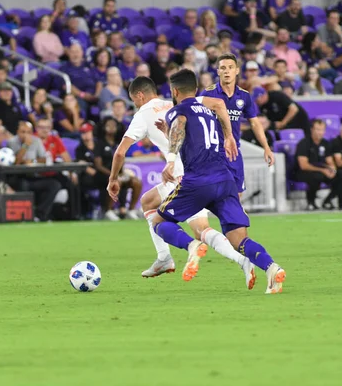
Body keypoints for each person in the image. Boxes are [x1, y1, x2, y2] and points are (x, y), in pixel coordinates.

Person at [107, 75, 256, 289]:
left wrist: (113, 179)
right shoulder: (174, 103)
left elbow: (121, 152)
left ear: (139, 96)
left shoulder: (143, 114)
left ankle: (239, 260)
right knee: (148, 202)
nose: (135, 104)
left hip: (184, 176)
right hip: (202, 169)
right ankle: (164, 258)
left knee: (200, 230)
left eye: (134, 100)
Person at [152, 70, 285, 293]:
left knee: (158, 221)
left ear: (174, 91)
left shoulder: (177, 111)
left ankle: (192, 245)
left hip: (198, 182)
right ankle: (272, 268)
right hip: (224, 180)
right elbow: (193, 138)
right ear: (195, 90)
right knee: (239, 240)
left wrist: (170, 160)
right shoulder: (208, 111)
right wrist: (230, 136)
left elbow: (180, 126)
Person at [201, 53, 275, 196]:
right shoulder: (208, 94)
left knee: (237, 195)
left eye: (230, 67)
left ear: (237, 71)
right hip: (213, 152)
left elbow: (255, 123)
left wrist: (266, 147)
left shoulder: (244, 96)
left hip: (234, 153)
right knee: (216, 194)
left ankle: (232, 218)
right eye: (223, 68)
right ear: (218, 72)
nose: (227, 71)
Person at [6, 121, 61, 222]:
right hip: (18, 178)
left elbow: (44, 159)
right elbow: (16, 162)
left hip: (34, 177)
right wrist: (25, 146)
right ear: (17, 132)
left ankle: (40, 215)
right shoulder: (12, 142)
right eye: (23, 132)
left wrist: (32, 161)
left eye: (28, 132)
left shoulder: (36, 141)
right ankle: (24, 216)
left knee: (54, 185)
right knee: (23, 185)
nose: (26, 135)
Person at [295, 120, 342, 211]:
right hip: (303, 172)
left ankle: (328, 200)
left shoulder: (325, 143)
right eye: (317, 129)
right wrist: (323, 170)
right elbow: (303, 165)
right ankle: (311, 202)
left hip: (322, 170)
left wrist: (333, 170)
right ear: (312, 130)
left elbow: (329, 161)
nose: (320, 132)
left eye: (322, 130)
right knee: (316, 176)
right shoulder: (304, 143)